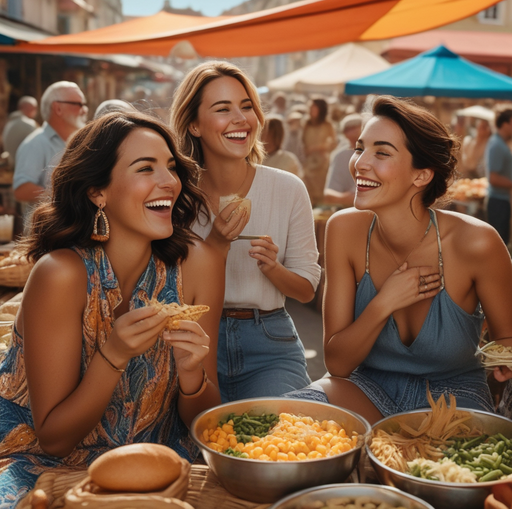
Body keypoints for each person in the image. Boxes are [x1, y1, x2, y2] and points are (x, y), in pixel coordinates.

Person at [0, 111, 224, 504]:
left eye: (170, 167)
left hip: (156, 457)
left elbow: (205, 424)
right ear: (97, 192)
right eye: (145, 168)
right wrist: (115, 354)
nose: (169, 182)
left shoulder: (199, 264)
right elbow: (54, 438)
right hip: (43, 463)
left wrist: (192, 376)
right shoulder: (61, 275)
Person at [287, 96, 512, 425]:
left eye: (381, 152)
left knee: (437, 471)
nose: (360, 163)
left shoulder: (476, 242)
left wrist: (503, 358)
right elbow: (337, 363)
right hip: (365, 388)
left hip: (453, 397)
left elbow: (505, 346)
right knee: (282, 424)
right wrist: (384, 302)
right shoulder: (343, 229)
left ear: (421, 176)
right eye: (359, 148)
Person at [170, 60, 321, 403]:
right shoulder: (172, 194)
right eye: (223, 109)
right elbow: (165, 286)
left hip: (269, 341)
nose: (241, 119)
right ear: (194, 124)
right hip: (190, 339)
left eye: (247, 106)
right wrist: (217, 244)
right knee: (197, 445)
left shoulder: (288, 188)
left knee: (280, 440)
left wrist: (275, 269)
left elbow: (307, 290)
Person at [13, 81, 88, 227]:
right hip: (48, 235)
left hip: (72, 231)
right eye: (78, 104)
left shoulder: (80, 142)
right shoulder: (35, 143)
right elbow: (21, 190)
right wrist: (66, 196)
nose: (84, 110)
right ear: (58, 108)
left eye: (84, 104)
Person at [302, 98, 337, 206]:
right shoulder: (306, 124)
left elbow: (333, 143)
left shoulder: (327, 124)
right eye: (311, 107)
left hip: (322, 163)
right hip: (309, 163)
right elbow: (302, 142)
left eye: (314, 107)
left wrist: (318, 148)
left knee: (321, 191)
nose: (311, 109)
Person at [485, 109, 512, 247]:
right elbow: (493, 178)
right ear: (506, 123)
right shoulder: (497, 145)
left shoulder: (500, 143)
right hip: (498, 202)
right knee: (499, 246)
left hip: (501, 200)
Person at [323, 113, 363, 208]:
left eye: (355, 127)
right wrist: (351, 197)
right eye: (348, 129)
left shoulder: (376, 151)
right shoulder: (339, 156)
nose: (352, 131)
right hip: (348, 209)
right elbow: (329, 195)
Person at [2, 96, 38, 168]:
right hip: (24, 166)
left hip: (12, 165)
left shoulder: (9, 122)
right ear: (31, 108)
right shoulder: (29, 124)